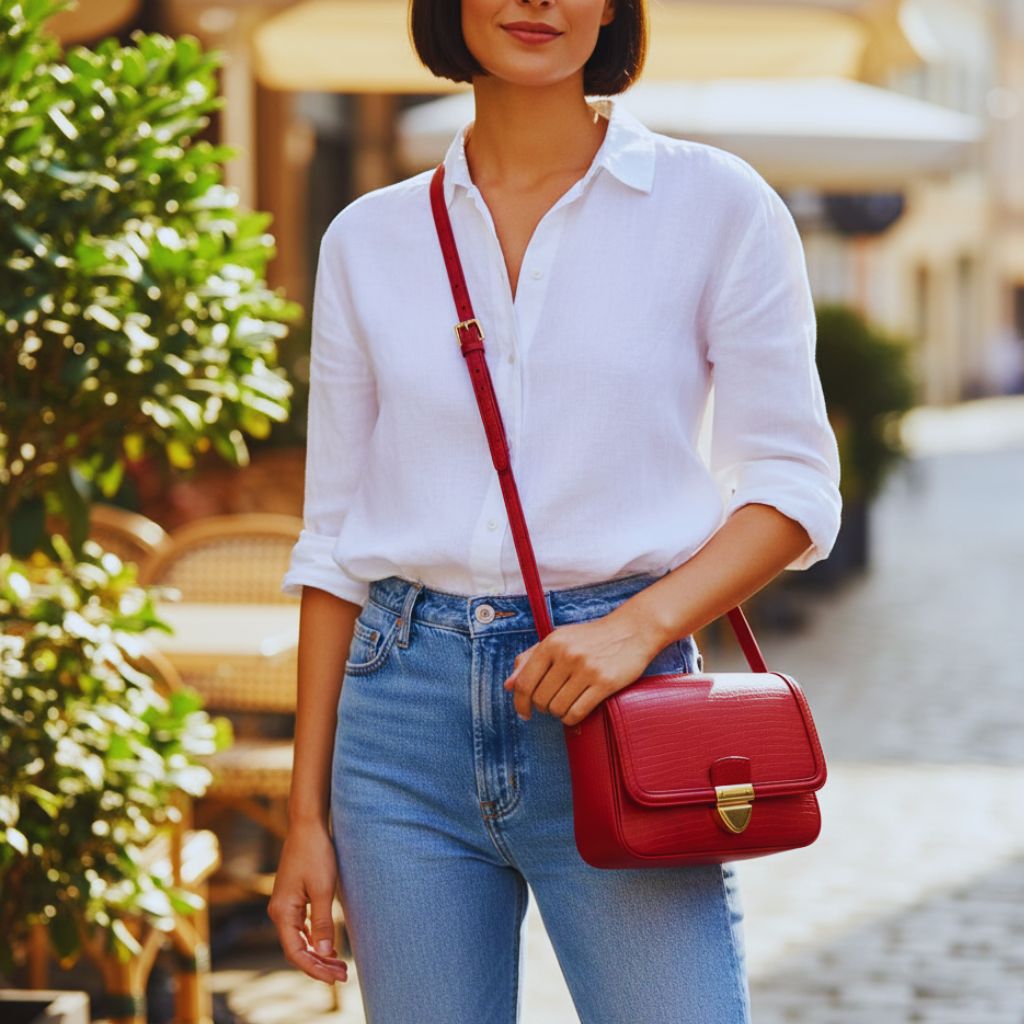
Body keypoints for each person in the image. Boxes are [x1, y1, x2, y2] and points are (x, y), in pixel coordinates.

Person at [267, 1, 842, 1021]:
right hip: (399, 730)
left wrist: (637, 626)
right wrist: (303, 813)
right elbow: (332, 544)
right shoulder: (370, 237)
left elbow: (793, 488)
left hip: (623, 715)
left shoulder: (714, 205)